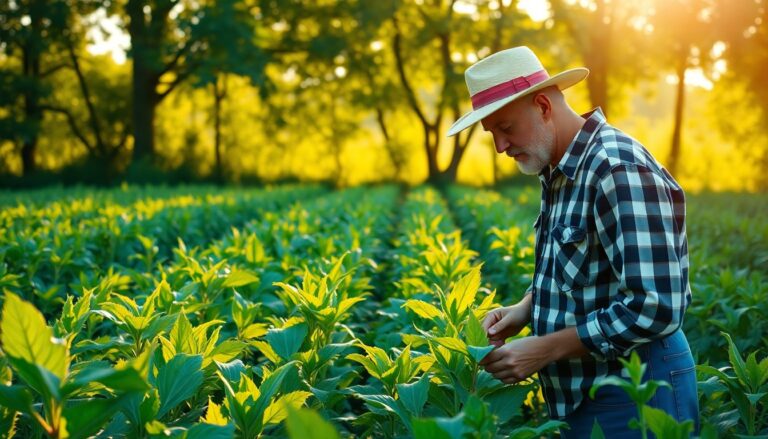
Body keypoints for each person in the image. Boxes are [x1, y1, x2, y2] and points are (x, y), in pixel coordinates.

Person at [447, 46, 699, 437]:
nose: (499, 146)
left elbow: (658, 306)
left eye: (506, 128)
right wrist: (524, 310)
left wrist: (545, 348)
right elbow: (583, 268)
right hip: (585, 391)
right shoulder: (559, 167)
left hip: (638, 391)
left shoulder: (617, 169)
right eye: (492, 134)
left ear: (544, 106)